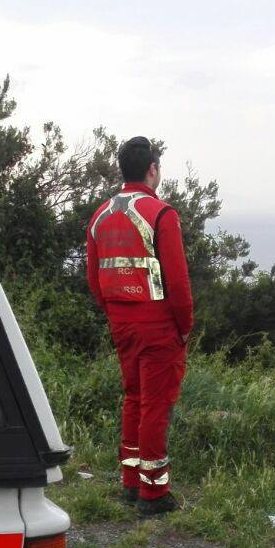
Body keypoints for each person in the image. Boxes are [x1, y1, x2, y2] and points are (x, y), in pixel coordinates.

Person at [86, 136, 193, 516]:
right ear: (152, 169)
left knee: (133, 398)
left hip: (122, 323)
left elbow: (94, 277)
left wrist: (114, 313)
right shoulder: (162, 214)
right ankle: (154, 493)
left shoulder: (100, 215)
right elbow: (178, 283)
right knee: (156, 405)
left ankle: (131, 482)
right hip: (158, 324)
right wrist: (185, 326)